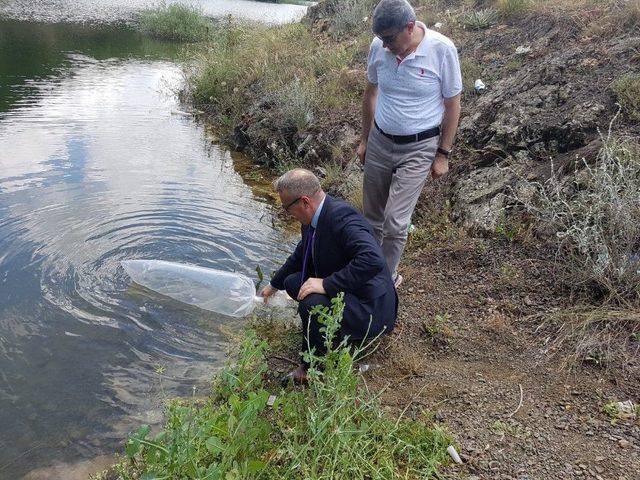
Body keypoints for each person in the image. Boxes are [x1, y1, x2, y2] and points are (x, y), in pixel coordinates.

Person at [357, 0, 462, 287]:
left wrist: (443, 153)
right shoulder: (379, 47)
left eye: (390, 38)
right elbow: (370, 95)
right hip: (380, 140)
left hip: (419, 146)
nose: (386, 46)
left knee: (395, 221)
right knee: (372, 218)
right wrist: (365, 140)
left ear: (410, 27)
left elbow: (453, 105)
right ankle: (368, 269)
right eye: (381, 39)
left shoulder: (441, 49)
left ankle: (384, 280)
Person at [260, 169, 397, 384]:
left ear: (304, 202)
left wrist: (327, 284)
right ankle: (328, 333)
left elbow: (372, 260)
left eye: (287, 208)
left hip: (371, 309)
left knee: (311, 302)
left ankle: (313, 367)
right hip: (354, 295)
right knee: (293, 283)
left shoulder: (342, 219)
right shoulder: (315, 218)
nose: (287, 214)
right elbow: (300, 255)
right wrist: (273, 285)